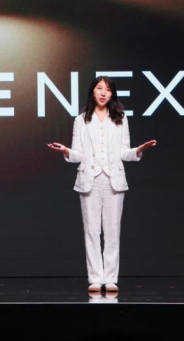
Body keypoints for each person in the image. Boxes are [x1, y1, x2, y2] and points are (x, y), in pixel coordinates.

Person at [48, 76, 157, 293]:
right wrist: (66, 151)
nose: (103, 93)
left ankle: (110, 278)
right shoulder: (81, 120)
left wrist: (139, 150)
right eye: (99, 88)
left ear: (112, 94)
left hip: (113, 180)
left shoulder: (120, 119)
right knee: (91, 231)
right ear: (92, 92)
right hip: (89, 179)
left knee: (112, 231)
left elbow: (124, 152)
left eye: (107, 89)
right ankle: (95, 278)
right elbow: (78, 154)